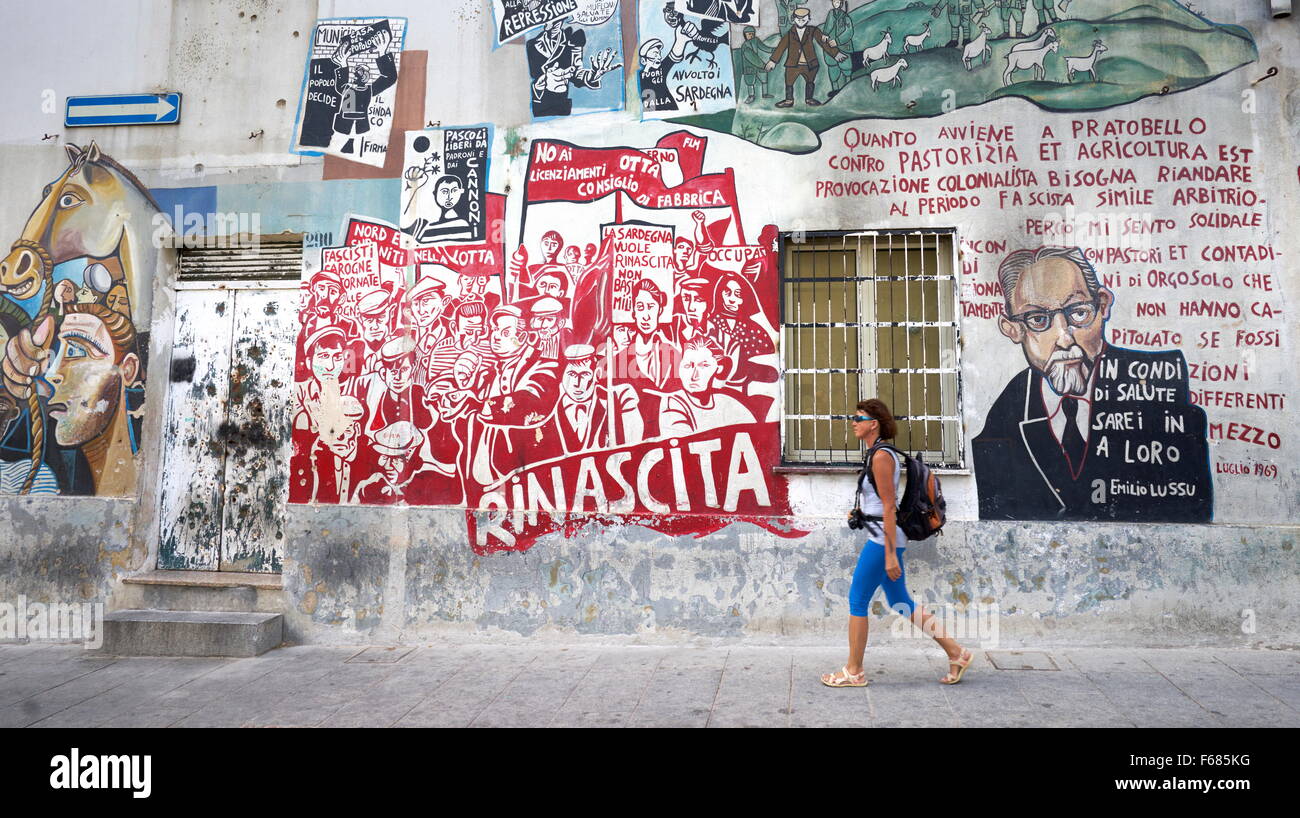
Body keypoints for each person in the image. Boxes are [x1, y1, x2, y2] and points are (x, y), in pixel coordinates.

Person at [972, 246, 1212, 521]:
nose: (1064, 338)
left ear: (1102, 304)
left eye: (1078, 313)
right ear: (1013, 329)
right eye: (1038, 319)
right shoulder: (1007, 411)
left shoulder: (1154, 386)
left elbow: (1187, 507)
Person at [822, 398, 973, 688]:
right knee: (900, 601)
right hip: (883, 536)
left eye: (858, 418)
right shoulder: (878, 454)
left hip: (882, 541)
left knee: (857, 600)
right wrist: (861, 513)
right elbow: (880, 504)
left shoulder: (881, 456)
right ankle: (957, 653)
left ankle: (854, 671)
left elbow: (889, 507)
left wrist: (890, 555)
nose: (853, 422)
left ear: (873, 424)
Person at [765, 6, 848, 108]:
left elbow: (824, 43)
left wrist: (836, 54)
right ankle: (789, 100)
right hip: (793, 64)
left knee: (810, 81)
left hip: (810, 64)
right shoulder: (790, 33)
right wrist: (772, 61)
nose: (800, 21)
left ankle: (809, 99)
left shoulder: (813, 30)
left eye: (803, 19)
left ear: (808, 19)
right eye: (798, 19)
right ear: (794, 19)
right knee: (789, 82)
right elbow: (781, 47)